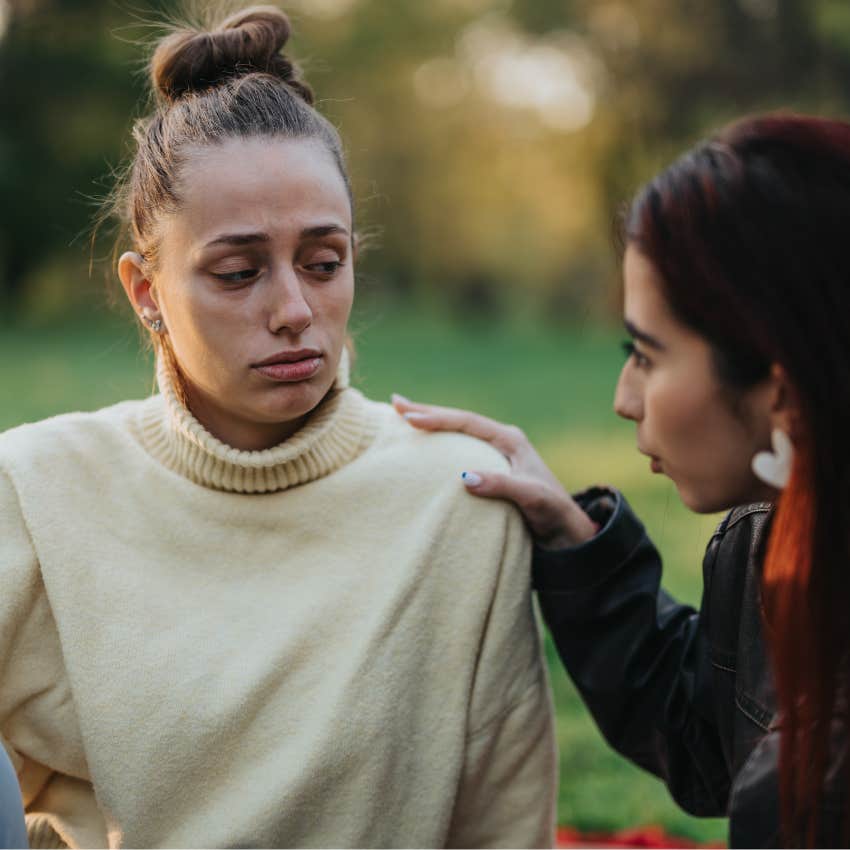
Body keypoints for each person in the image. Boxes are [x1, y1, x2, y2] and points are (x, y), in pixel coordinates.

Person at [0, 6, 557, 847]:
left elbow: (504, 829)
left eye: (324, 263)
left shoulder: (458, 495)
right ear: (146, 292)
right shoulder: (33, 490)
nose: (295, 310)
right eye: (237, 272)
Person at [393, 113, 850, 847]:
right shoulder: (771, 542)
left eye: (646, 356)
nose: (623, 398)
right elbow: (711, 736)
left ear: (781, 391)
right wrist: (577, 540)